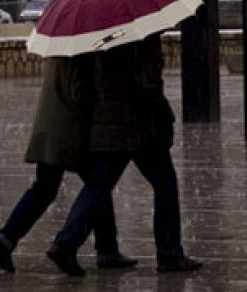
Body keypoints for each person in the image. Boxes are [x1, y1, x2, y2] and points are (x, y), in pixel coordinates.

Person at [46, 35, 202, 276]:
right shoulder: (142, 36)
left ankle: (66, 243)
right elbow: (147, 84)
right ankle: (169, 254)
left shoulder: (103, 35)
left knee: (97, 187)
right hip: (139, 126)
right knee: (165, 186)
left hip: (107, 123)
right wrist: (164, 115)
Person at [0, 56, 136, 273]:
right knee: (98, 184)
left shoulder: (60, 50)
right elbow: (79, 92)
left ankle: (5, 238)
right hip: (70, 130)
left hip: (49, 127)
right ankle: (101, 249)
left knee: (45, 188)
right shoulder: (81, 54)